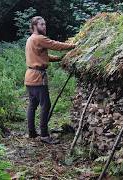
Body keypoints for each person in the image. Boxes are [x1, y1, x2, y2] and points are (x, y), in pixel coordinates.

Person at [25, 16, 76, 144]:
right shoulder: (39, 38)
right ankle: (44, 135)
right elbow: (55, 45)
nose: (44, 26)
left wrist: (59, 58)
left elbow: (43, 56)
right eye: (41, 24)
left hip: (30, 76)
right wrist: (74, 46)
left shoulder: (31, 39)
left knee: (32, 105)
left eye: (45, 24)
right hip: (38, 77)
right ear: (34, 26)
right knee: (45, 105)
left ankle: (31, 132)